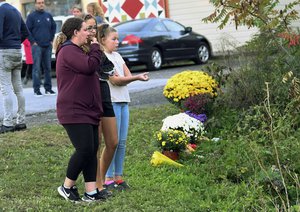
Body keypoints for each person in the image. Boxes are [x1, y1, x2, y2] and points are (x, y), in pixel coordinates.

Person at [55, 17, 112, 203]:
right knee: (85, 149)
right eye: (86, 30)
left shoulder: (77, 50)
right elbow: (88, 67)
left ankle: (91, 192)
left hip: (87, 109)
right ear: (75, 32)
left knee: (92, 149)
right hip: (73, 110)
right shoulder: (68, 51)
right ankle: (66, 186)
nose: (89, 33)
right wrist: (96, 48)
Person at [98, 23, 149, 190]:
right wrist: (136, 78)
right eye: (114, 39)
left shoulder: (118, 56)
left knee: (122, 142)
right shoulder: (103, 57)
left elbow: (125, 75)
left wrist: (129, 77)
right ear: (103, 40)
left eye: (118, 39)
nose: (117, 42)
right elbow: (116, 80)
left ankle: (119, 176)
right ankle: (108, 177)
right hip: (112, 101)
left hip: (123, 101)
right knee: (112, 142)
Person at [0, 0, 29, 134]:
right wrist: (16, 42)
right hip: (17, 51)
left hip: (4, 51)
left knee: (5, 89)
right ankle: (21, 121)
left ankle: (7, 123)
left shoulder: (1, 11)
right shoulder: (15, 11)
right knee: (18, 88)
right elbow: (25, 32)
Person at [26, 0, 56, 97]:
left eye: (42, 2)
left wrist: (51, 39)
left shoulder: (48, 16)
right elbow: (27, 30)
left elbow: (53, 27)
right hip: (36, 46)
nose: (41, 4)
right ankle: (37, 90)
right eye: (39, 3)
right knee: (36, 69)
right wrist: (33, 42)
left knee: (48, 68)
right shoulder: (31, 17)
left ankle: (48, 89)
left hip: (47, 46)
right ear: (35, 4)